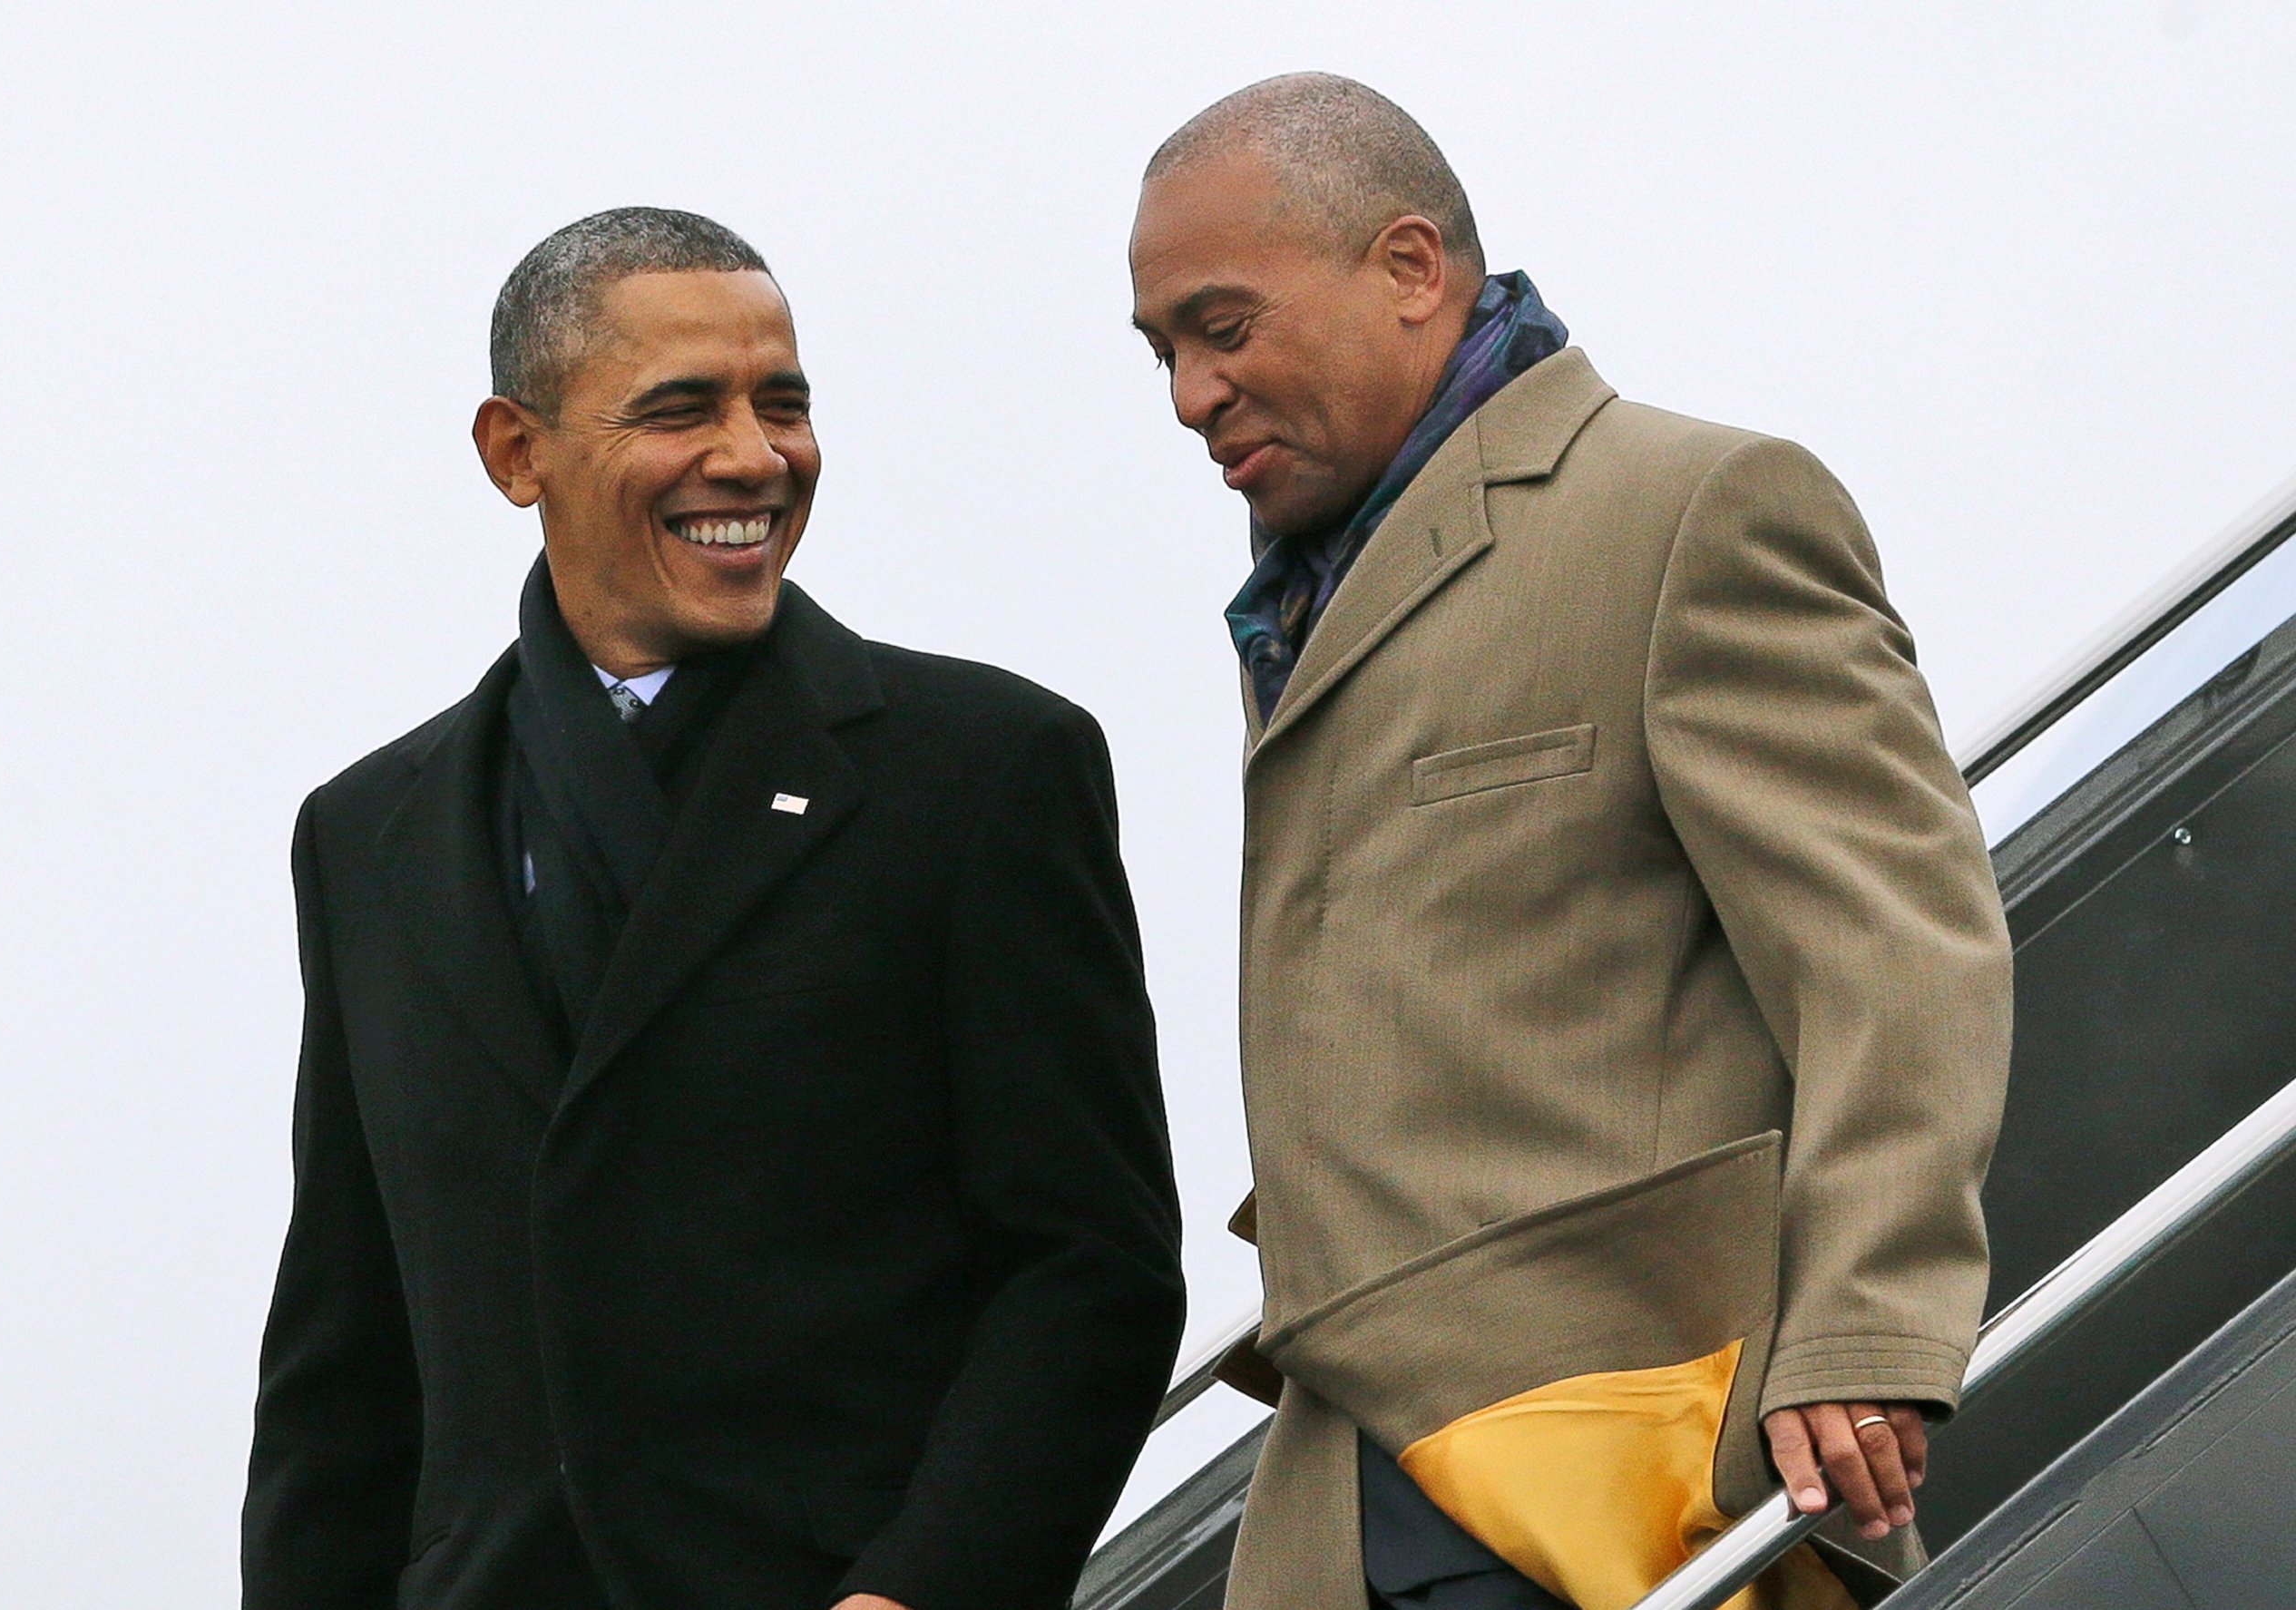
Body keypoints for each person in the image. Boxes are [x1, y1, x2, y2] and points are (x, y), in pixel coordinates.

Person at [1128, 75, 2012, 1610]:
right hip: (1360, 1490)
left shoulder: (1690, 509)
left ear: (1411, 270)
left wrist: (1868, 1330)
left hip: (1630, 1471)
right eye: (1165, 354)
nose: (1192, 396)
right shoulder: (1302, 590)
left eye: (1224, 327)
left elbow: (1896, 952)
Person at [242, 207, 1187, 1610]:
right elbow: (346, 1347)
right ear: (519, 453)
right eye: (683, 409)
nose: (755, 457)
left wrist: (919, 1590)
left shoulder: (981, 772)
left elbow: (1088, 1266)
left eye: (783, 404)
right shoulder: (370, 836)